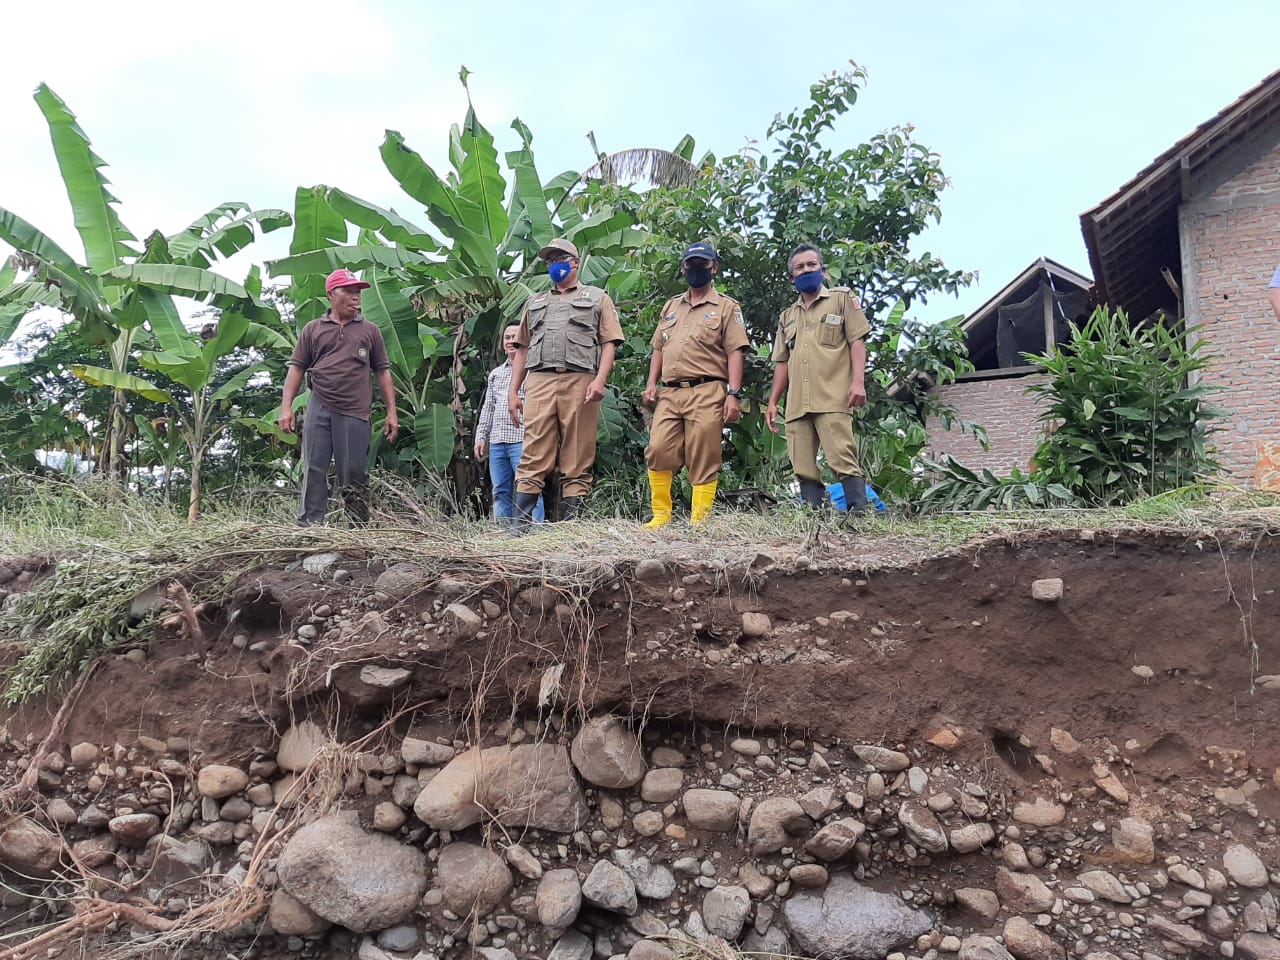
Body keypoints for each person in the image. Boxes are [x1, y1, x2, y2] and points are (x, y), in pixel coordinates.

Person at [507, 238, 624, 532]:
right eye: (550, 259)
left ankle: (572, 530)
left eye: (560, 258)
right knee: (534, 452)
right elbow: (521, 347)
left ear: (575, 261)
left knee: (577, 453)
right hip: (540, 381)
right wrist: (513, 390)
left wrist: (600, 380)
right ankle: (519, 528)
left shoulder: (597, 298)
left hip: (580, 381)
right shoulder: (534, 302)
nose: (554, 264)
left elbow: (609, 343)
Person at [640, 242, 749, 527]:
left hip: (708, 389)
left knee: (704, 452)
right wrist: (652, 383)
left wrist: (733, 394)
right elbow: (659, 349)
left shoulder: (726, 307)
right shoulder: (671, 306)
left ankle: (699, 519)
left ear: (714, 267)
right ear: (683, 268)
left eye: (703, 264)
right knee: (659, 448)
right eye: (691, 264)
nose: (696, 270)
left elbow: (735, 351)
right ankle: (661, 515)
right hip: (670, 391)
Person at [279, 268, 399, 526]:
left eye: (358, 291)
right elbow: (297, 367)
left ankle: (357, 528)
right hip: (319, 404)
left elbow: (382, 371)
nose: (356, 296)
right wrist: (286, 407)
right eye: (349, 290)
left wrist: (392, 412)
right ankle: (310, 527)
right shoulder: (313, 329)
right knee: (314, 467)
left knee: (354, 471)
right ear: (331, 294)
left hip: (355, 410)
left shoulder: (370, 330)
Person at [765, 243, 870, 515]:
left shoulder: (841, 299)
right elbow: (782, 362)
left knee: (842, 457)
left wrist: (858, 382)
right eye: (800, 267)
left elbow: (857, 341)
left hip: (833, 395)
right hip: (797, 402)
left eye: (812, 265)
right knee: (803, 465)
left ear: (823, 271)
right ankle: (814, 519)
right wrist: (774, 401)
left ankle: (859, 515)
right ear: (792, 278)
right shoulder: (787, 316)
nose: (806, 270)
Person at [474, 322, 545, 526]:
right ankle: (504, 533)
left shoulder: (534, 372)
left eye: (516, 337)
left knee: (529, 486)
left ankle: (536, 531)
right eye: (507, 337)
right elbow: (488, 408)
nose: (511, 341)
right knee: (500, 489)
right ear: (502, 343)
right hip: (497, 441)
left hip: (523, 439)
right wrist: (481, 437)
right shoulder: (496, 374)